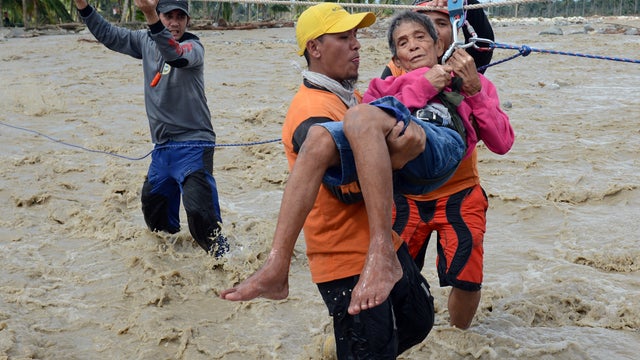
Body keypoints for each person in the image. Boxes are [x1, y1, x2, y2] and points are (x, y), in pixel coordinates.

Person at [219, 2, 487, 357]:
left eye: (357, 36)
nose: (357, 45)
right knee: (370, 350)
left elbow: (415, 74)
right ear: (315, 48)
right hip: (347, 260)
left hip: (387, 244)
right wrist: (399, 157)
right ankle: (278, 265)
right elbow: (343, 189)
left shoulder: (351, 96)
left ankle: (289, 272)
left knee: (419, 320)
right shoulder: (310, 112)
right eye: (344, 38)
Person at [380, 3, 514, 330]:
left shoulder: (475, 83)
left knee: (468, 280)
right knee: (392, 279)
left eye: (438, 24)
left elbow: (502, 143)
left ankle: (458, 342)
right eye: (416, 28)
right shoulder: (391, 81)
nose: (425, 34)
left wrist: (475, 92)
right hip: (406, 199)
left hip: (460, 195)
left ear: (446, 39)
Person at [73, 0, 229, 257]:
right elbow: (109, 36)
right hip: (162, 149)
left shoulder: (194, 47)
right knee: (156, 221)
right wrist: (83, 6)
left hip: (194, 145)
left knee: (201, 217)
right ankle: (171, 272)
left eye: (181, 17)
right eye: (169, 16)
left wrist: (150, 15)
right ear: (160, 16)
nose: (175, 22)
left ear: (188, 21)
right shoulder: (145, 41)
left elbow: (174, 55)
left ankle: (229, 264)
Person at [381, 0, 495, 79]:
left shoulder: (464, 63)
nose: (433, 31)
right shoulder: (400, 64)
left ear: (455, 30)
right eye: (425, 25)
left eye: (441, 24)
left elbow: (483, 40)